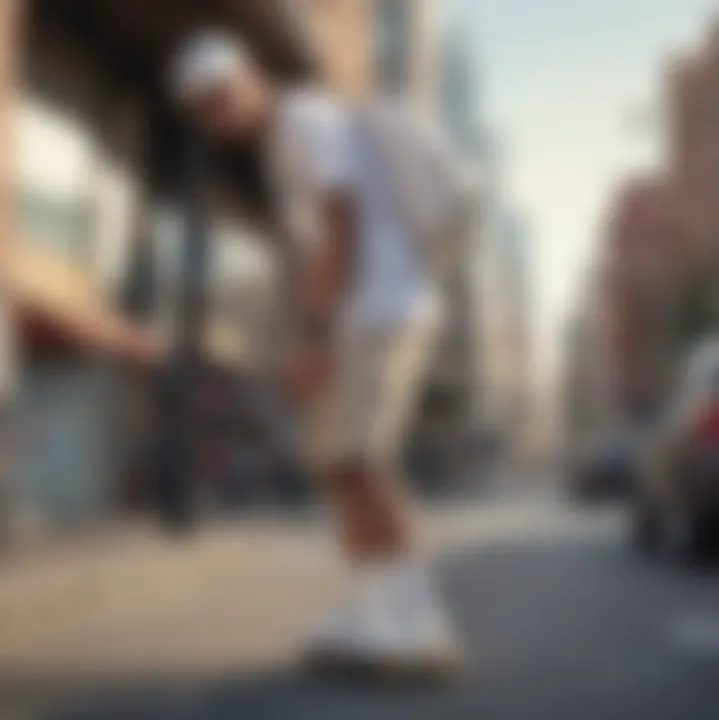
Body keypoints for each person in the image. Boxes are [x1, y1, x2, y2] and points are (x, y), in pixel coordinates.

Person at [170, 31, 461, 676]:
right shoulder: (280, 146)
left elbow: (342, 222)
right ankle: (369, 607)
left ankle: (419, 621)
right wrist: (300, 337)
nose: (220, 114)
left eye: (224, 95)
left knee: (361, 458)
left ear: (251, 73)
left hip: (384, 307)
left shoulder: (304, 118)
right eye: (206, 109)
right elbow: (306, 250)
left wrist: (315, 336)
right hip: (351, 315)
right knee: (336, 464)